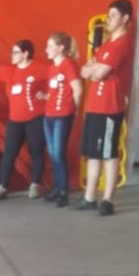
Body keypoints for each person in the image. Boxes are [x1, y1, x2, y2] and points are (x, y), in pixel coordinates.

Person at [73, 0, 134, 216]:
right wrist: (94, 69)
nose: (109, 20)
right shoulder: (107, 45)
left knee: (109, 153)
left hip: (110, 107)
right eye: (108, 16)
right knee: (93, 154)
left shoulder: (123, 43)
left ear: (125, 19)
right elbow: (84, 71)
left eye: (114, 16)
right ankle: (89, 197)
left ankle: (108, 200)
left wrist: (95, 69)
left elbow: (98, 73)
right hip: (95, 106)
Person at [0, 35, 47, 199]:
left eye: (15, 52)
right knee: (9, 153)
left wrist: (48, 96)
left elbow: (59, 79)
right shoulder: (10, 71)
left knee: (36, 152)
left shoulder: (39, 68)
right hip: (15, 120)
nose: (12, 55)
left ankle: (35, 185)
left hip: (35, 118)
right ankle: (2, 186)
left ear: (25, 54)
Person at [41, 33, 82, 207]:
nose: (47, 50)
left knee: (58, 153)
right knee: (52, 153)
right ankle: (57, 188)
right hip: (49, 114)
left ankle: (63, 191)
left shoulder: (68, 65)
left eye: (50, 46)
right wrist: (45, 96)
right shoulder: (52, 68)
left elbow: (77, 89)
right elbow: (55, 92)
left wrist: (75, 109)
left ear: (61, 48)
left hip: (63, 114)